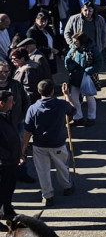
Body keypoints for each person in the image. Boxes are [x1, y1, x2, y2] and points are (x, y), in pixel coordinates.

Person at [22, 79, 75, 207]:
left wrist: (23, 147)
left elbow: (28, 130)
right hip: (57, 143)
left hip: (39, 144)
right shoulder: (61, 104)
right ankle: (67, 186)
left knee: (43, 170)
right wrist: (67, 94)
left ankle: (47, 196)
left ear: (39, 91)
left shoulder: (33, 108)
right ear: (52, 90)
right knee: (62, 166)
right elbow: (73, 110)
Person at [64, 32, 99, 127]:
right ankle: (77, 118)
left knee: (90, 98)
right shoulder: (73, 49)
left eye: (76, 41)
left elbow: (99, 62)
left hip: (88, 78)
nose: (74, 43)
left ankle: (91, 118)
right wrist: (71, 68)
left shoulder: (92, 50)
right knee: (74, 98)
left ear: (82, 41)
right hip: (75, 78)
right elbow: (67, 59)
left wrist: (88, 71)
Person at [0, 89, 19, 219]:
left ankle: (7, 210)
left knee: (9, 187)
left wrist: (19, 154)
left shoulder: (7, 114)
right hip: (3, 162)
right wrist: (5, 156)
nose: (13, 104)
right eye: (11, 101)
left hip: (12, 160)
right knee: (1, 190)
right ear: (2, 103)